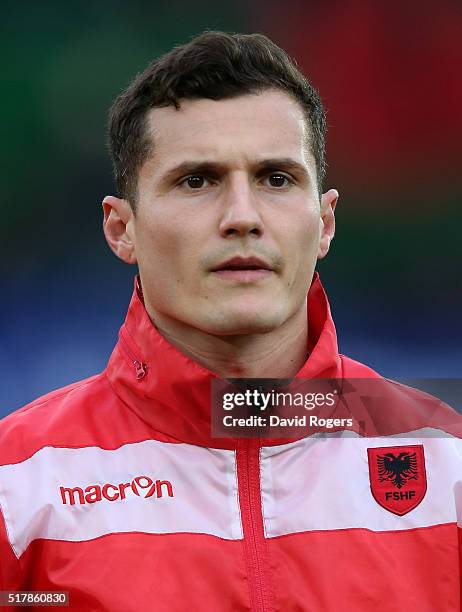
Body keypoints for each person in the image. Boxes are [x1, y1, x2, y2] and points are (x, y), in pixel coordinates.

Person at [0, 31, 460, 611]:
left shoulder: (448, 468)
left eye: (276, 178)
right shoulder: (16, 485)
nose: (242, 217)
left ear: (325, 223)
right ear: (123, 229)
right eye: (198, 180)